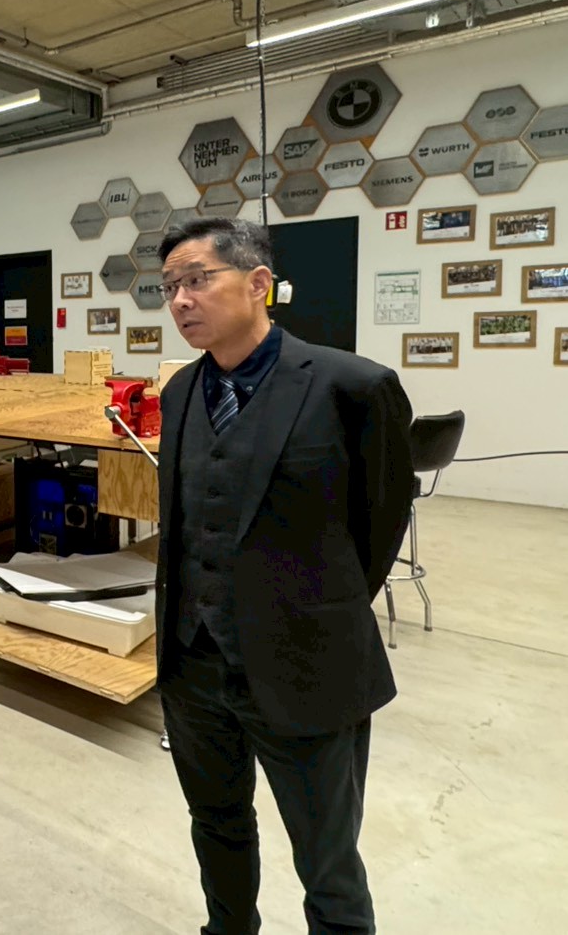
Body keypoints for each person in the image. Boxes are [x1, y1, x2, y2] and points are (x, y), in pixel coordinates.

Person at [154, 217, 414, 935]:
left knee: (327, 859)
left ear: (258, 283)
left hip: (304, 663)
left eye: (197, 279)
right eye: (169, 287)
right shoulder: (180, 392)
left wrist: (313, 609)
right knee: (216, 824)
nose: (180, 300)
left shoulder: (352, 386)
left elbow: (379, 523)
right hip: (194, 664)